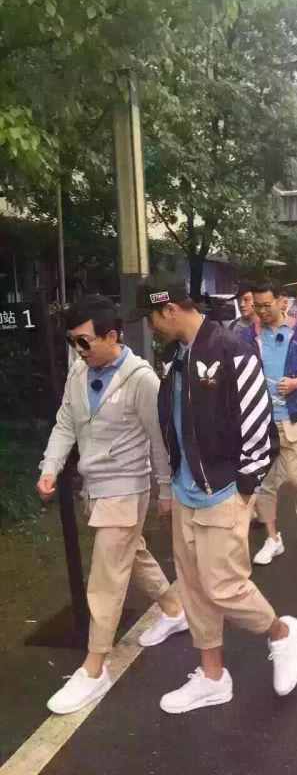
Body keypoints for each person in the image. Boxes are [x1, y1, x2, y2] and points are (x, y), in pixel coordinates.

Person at [127, 275, 297, 711]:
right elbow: (175, 424)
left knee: (224, 587)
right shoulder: (177, 356)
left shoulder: (232, 350)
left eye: (151, 317)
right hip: (187, 490)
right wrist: (173, 481)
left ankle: (280, 632)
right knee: (194, 589)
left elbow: (259, 427)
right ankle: (211, 676)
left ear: (170, 309)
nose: (150, 327)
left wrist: (243, 489)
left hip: (222, 491)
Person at [38, 296, 186, 715]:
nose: (78, 349)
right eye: (73, 341)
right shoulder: (78, 370)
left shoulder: (142, 380)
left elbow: (159, 439)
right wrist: (50, 466)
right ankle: (174, 609)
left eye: (84, 341)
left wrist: (165, 489)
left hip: (127, 487)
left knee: (105, 575)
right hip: (96, 488)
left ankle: (95, 667)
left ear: (112, 336)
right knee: (130, 554)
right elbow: (65, 423)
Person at [242, 281, 297, 565]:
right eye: (257, 306)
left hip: (293, 415)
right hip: (260, 420)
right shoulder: (248, 334)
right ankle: (272, 538)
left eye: (267, 305)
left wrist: (296, 382)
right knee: (265, 483)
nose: (261, 311)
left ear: (281, 302)